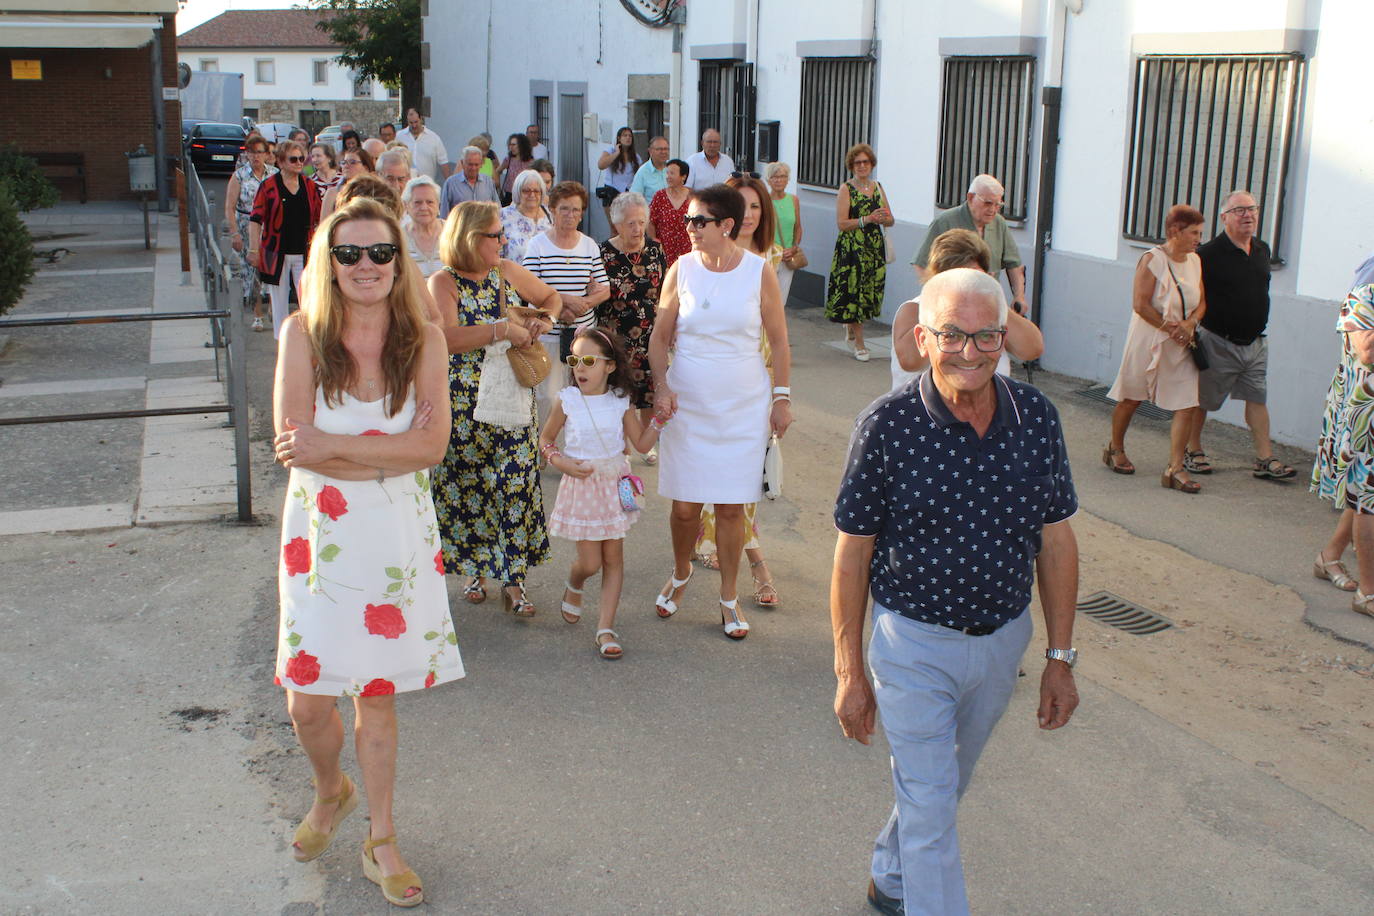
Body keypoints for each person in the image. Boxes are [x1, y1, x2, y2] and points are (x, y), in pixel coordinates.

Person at [831, 267, 1080, 916]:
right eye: (952, 336)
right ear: (922, 336)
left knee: (939, 790)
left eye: (986, 337)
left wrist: (1060, 659)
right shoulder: (887, 426)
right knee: (932, 803)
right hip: (911, 645)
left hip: (1003, 646)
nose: (969, 353)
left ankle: (890, 872)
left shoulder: (1037, 419)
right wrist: (849, 671)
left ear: (1005, 337)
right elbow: (852, 556)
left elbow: (1056, 542)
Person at [271, 197, 461, 908]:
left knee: (376, 700)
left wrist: (337, 449)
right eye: (347, 254)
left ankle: (382, 839)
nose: (365, 266)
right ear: (328, 262)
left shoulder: (426, 339)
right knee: (308, 705)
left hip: (393, 544)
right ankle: (332, 790)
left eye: (379, 252)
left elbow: (432, 448)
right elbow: (295, 448)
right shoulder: (300, 333)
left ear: (398, 260)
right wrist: (385, 456)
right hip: (319, 539)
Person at [648, 184, 793, 640]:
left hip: (743, 404)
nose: (689, 228)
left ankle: (729, 598)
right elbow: (658, 337)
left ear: (726, 226)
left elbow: (781, 339)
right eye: (688, 220)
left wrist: (782, 396)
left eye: (698, 221)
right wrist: (661, 386)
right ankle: (681, 570)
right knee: (686, 507)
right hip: (688, 402)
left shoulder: (757, 271)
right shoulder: (680, 269)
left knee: (732, 509)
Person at [428, 201, 560, 617]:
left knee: (515, 487)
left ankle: (515, 582)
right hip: (465, 404)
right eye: (495, 234)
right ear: (471, 238)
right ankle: (474, 572)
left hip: (512, 398)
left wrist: (543, 321)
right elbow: (446, 338)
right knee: (471, 487)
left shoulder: (504, 270)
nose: (502, 240)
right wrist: (501, 329)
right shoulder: (443, 282)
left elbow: (551, 298)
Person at [539, 327, 667, 658]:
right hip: (582, 487)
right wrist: (561, 462)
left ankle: (605, 628)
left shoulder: (620, 402)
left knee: (613, 559)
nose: (579, 368)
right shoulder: (567, 401)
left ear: (609, 366)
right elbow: (546, 441)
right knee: (591, 562)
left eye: (588, 361)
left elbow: (640, 445)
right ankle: (575, 582)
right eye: (574, 360)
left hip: (613, 486)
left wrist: (658, 422)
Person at [693, 174, 785, 608]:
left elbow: (780, 336)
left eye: (756, 207)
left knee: (746, 481)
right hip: (709, 383)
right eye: (741, 206)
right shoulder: (701, 258)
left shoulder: (770, 259)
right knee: (721, 482)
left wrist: (781, 391)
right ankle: (755, 562)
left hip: (756, 384)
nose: (748, 215)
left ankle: (744, 556)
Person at [1185, 190, 1295, 480]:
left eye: (1252, 209)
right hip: (1218, 340)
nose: (1248, 214)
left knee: (1257, 398)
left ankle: (1264, 458)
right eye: (1239, 210)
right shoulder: (1206, 254)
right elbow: (1193, 295)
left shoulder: (1261, 249)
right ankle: (1192, 449)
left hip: (1256, 343)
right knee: (1202, 399)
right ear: (1224, 218)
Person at [1106, 204, 1207, 492]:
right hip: (1149, 338)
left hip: (1183, 341)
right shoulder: (1152, 260)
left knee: (1187, 403)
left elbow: (1202, 301)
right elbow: (1140, 304)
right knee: (1132, 397)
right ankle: (1115, 448)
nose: (1199, 238)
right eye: (1194, 232)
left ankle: (1175, 469)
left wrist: (1190, 323)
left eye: (1200, 233)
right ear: (1175, 231)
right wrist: (1170, 328)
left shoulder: (1195, 261)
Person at [890, 229, 1044, 389]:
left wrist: (991, 295)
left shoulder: (992, 312)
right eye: (955, 277)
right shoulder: (915, 309)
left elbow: (1031, 349)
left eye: (972, 276)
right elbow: (909, 361)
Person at [521, 181, 610, 418]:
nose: (570, 215)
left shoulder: (589, 245)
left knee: (583, 394)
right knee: (547, 397)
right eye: (564, 209)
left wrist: (584, 304)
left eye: (576, 210)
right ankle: (548, 451)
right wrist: (563, 303)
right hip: (547, 333)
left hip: (582, 335)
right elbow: (527, 288)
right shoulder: (537, 244)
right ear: (552, 209)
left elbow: (604, 289)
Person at [1313, 284, 1374, 615]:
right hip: (1366, 417)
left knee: (1365, 497)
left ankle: (1329, 557)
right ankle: (1368, 592)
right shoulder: (1362, 298)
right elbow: (1367, 352)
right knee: (1367, 500)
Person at [597, 190, 665, 454]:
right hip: (616, 336)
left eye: (641, 222)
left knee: (648, 393)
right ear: (617, 225)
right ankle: (621, 444)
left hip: (651, 334)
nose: (638, 229)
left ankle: (647, 445)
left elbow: (666, 290)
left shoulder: (656, 249)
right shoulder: (603, 252)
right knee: (619, 393)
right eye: (631, 223)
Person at [913, 174, 1027, 315]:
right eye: (987, 203)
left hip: (988, 302)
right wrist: (937, 295)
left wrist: (1019, 296)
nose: (993, 209)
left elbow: (1014, 265)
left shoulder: (999, 223)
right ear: (970, 198)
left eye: (998, 205)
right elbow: (921, 264)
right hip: (954, 304)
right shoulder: (945, 221)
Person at [248, 140, 323, 339]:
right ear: (281, 162)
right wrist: (253, 250)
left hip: (304, 251)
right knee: (279, 301)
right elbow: (255, 219)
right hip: (277, 252)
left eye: (301, 158)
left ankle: (308, 339)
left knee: (307, 298)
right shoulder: (269, 187)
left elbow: (319, 218)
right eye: (293, 159)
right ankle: (282, 342)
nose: (299, 163)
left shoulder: (309, 186)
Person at [826, 142, 893, 361]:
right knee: (855, 292)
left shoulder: (878, 186)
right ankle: (860, 344)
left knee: (869, 292)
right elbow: (842, 223)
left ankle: (852, 327)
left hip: (873, 249)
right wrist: (867, 219)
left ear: (871, 164)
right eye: (857, 163)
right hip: (852, 248)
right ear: (851, 166)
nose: (862, 166)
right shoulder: (847, 188)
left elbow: (891, 220)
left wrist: (884, 218)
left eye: (865, 162)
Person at [225, 134, 276, 332]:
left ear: (266, 154)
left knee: (271, 268)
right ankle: (257, 314)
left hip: (270, 226)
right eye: (251, 152)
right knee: (253, 270)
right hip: (247, 225)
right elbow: (229, 206)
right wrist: (234, 233)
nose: (255, 156)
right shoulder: (239, 176)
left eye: (259, 152)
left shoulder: (274, 174)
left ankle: (273, 307)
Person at [765, 160, 803, 306]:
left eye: (782, 176)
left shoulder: (793, 200)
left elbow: (798, 227)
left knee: (781, 302)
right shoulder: (764, 201)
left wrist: (794, 247)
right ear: (768, 180)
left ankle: (777, 329)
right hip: (769, 256)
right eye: (775, 177)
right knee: (767, 300)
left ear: (788, 180)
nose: (779, 180)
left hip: (787, 257)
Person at [499, 168, 552, 263]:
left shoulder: (551, 217)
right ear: (518, 192)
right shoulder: (503, 216)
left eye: (536, 191)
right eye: (526, 191)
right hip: (513, 276)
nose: (532, 195)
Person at [649, 159, 693, 268]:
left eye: (672, 173)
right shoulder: (659, 196)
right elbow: (650, 222)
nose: (668, 176)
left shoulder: (693, 196)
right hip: (665, 250)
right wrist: (653, 240)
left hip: (688, 249)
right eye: (667, 173)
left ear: (683, 176)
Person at [401, 175, 445, 279]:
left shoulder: (452, 232)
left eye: (430, 202)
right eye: (417, 202)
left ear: (438, 205)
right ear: (407, 206)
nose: (424, 207)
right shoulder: (399, 238)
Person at [595, 126, 641, 224]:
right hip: (612, 192)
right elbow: (601, 165)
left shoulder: (636, 157)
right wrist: (617, 153)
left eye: (630, 136)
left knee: (626, 224)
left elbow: (639, 176)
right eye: (625, 135)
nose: (628, 138)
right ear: (619, 138)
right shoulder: (610, 151)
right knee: (614, 226)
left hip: (628, 194)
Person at [440, 146, 500, 218]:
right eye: (470, 164)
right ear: (462, 163)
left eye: (476, 164)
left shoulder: (488, 182)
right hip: (462, 228)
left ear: (481, 164)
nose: (473, 168)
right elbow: (444, 214)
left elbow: (497, 208)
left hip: (484, 227)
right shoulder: (451, 183)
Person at [397, 108, 452, 182]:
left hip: (427, 184)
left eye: (416, 122)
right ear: (407, 121)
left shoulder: (434, 138)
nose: (414, 125)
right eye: (411, 123)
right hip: (405, 184)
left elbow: (443, 162)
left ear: (421, 119)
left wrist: (450, 184)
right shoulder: (399, 136)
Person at [322, 147, 376, 218]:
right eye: (344, 162)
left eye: (352, 162)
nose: (346, 166)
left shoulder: (374, 191)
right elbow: (324, 224)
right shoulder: (332, 193)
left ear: (366, 168)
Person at [629, 136, 671, 220]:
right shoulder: (643, 172)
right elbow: (634, 199)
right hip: (651, 221)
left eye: (666, 149)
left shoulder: (671, 169)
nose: (663, 152)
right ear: (650, 151)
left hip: (671, 220)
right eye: (659, 149)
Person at [496, 133, 535, 207]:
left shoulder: (531, 162)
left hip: (524, 195)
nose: (511, 147)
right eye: (510, 145)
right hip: (509, 195)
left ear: (522, 145)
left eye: (514, 145)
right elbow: (497, 171)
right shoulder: (508, 160)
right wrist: (498, 186)